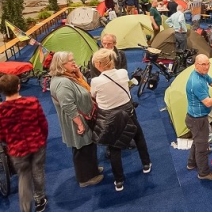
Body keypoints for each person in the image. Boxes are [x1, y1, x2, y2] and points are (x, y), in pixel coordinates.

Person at [90, 49, 152, 192]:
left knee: (114, 148)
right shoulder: (123, 73)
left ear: (98, 64)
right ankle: (146, 164)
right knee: (138, 137)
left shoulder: (96, 81)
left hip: (110, 118)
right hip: (128, 112)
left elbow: (93, 96)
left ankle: (119, 181)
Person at [49, 51, 103, 187]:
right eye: (70, 61)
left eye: (73, 59)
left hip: (84, 118)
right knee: (82, 149)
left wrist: (79, 74)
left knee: (88, 146)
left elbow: (84, 88)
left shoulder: (70, 77)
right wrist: (79, 124)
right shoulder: (63, 83)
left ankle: (92, 170)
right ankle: (85, 178)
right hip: (76, 121)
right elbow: (68, 106)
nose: (74, 62)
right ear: (61, 65)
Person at [0, 74, 48, 212]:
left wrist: (8, 141)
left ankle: (25, 208)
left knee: (23, 176)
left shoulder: (1, 110)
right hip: (37, 143)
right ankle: (40, 199)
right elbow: (43, 123)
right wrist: (43, 138)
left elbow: (1, 133)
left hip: (17, 148)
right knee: (38, 171)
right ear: (18, 86)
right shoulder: (32, 102)